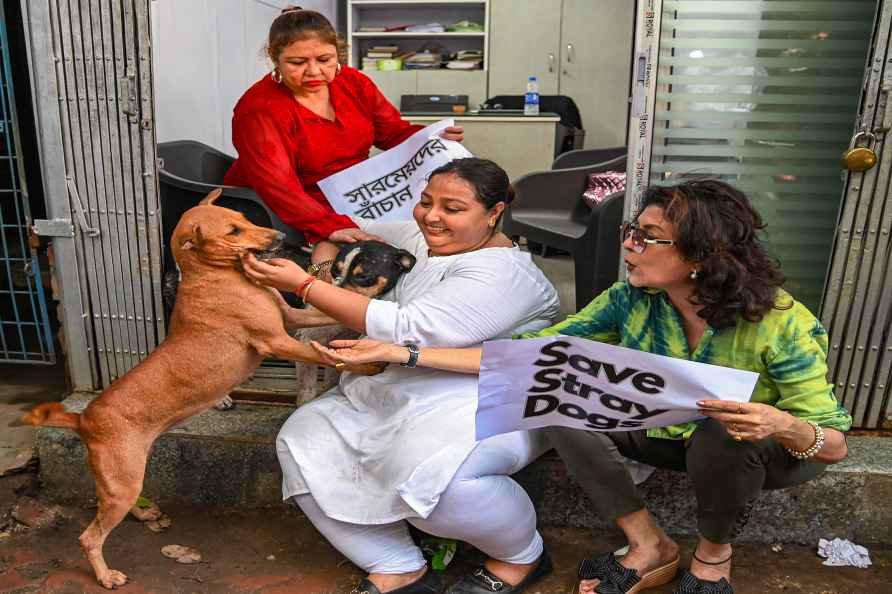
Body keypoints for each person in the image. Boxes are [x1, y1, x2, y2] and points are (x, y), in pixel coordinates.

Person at [313, 179, 852, 594]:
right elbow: (533, 353)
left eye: (647, 237)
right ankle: (648, 544)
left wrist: (778, 421)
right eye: (630, 231)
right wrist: (402, 349)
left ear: (700, 256)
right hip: (667, 436)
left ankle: (713, 555)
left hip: (763, 450)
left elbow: (833, 444)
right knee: (558, 388)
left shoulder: (782, 323)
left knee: (725, 431)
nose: (630, 245)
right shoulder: (631, 300)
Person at [242, 158, 561, 594]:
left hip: (484, 394)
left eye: (453, 208)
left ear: (494, 212)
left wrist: (306, 288)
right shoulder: (414, 236)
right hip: (393, 385)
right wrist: (321, 270)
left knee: (437, 479)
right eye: (426, 202)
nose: (432, 216)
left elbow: (411, 327)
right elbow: (332, 234)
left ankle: (521, 556)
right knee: (302, 440)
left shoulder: (505, 274)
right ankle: (395, 564)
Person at [224, 7, 463, 252]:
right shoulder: (259, 109)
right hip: (297, 207)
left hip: (355, 196)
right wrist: (329, 225)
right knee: (394, 244)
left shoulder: (353, 82)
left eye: (325, 60)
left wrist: (430, 137)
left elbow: (392, 133)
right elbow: (279, 187)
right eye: (297, 62)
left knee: (445, 226)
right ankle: (313, 284)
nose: (314, 71)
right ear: (275, 58)